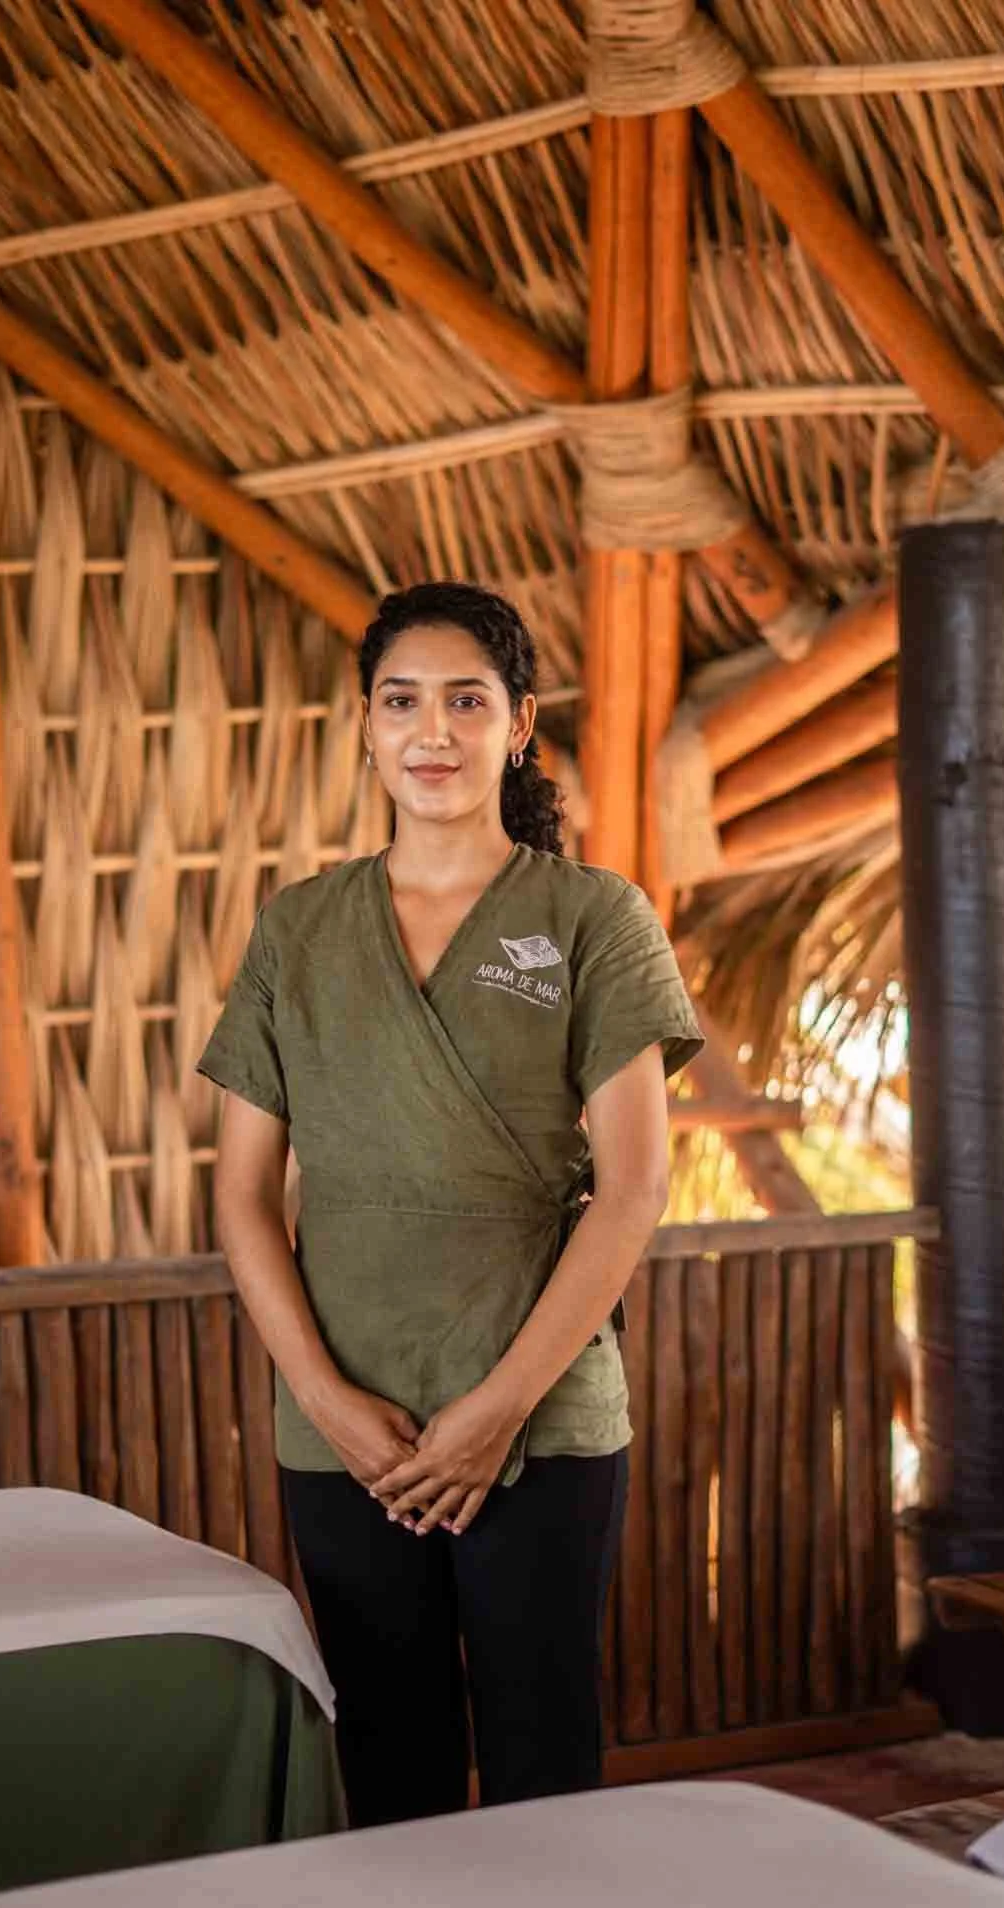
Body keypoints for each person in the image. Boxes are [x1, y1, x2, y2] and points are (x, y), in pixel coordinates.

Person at [197, 581, 703, 1827]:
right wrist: (330, 1403)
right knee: (387, 1749)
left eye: (465, 701)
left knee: (543, 1754)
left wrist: (494, 1411)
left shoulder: (593, 916)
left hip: (538, 1416)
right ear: (365, 726)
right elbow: (244, 1195)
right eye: (402, 701)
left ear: (518, 723)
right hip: (345, 1428)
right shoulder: (299, 928)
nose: (432, 731)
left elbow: (634, 1187)